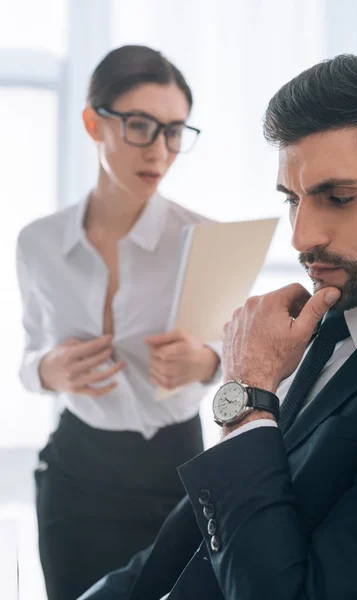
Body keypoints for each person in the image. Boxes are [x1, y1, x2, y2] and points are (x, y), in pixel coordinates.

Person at [79, 52, 357, 600]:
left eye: (338, 198)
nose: (300, 237)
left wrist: (248, 394)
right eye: (292, 200)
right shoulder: (324, 321)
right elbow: (196, 541)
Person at [16, 45, 222, 600]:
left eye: (174, 131)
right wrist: (48, 372)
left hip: (177, 470)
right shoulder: (37, 241)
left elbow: (236, 351)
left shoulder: (202, 237)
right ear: (93, 122)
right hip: (77, 474)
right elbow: (31, 357)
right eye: (140, 126)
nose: (159, 150)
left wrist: (204, 361)